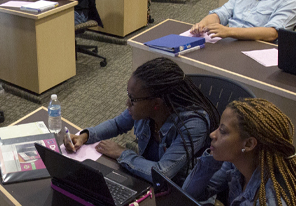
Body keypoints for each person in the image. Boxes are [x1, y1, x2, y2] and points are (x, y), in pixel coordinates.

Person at [69, 58, 218, 184]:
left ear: (156, 104)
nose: (127, 103)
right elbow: (117, 124)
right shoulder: (145, 111)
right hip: (146, 179)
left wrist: (122, 153)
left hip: (179, 191)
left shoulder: (193, 124)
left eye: (133, 99)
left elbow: (163, 173)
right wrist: (84, 136)